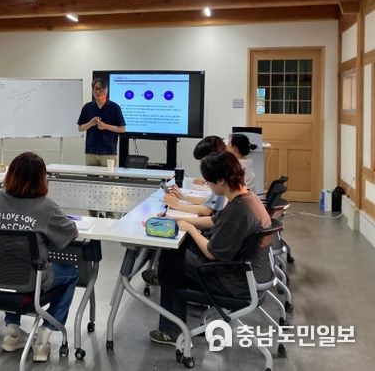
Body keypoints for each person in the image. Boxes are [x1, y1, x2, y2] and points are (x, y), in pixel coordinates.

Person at [149, 151, 272, 345]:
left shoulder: (238, 210)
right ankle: (164, 288)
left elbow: (211, 253)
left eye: (209, 182)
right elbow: (214, 220)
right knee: (179, 251)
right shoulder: (248, 198)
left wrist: (190, 228)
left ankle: (171, 331)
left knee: (171, 260)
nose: (209, 186)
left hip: (234, 282)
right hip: (248, 272)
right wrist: (175, 219)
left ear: (221, 181)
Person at [0, 152, 79, 362]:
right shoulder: (47, 206)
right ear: (41, 179)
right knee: (72, 273)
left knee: (13, 264)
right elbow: (70, 233)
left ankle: (12, 331)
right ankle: (45, 334)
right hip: (32, 279)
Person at [77, 77, 126, 217]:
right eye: (95, 89)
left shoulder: (114, 107)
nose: (98, 92)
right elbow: (80, 128)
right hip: (91, 152)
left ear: (107, 90)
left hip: (108, 152)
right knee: (91, 185)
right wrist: (91, 123)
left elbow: (122, 129)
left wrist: (105, 126)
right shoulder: (88, 107)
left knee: (109, 185)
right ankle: (93, 214)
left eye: (101, 89)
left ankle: (109, 215)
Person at [162, 136, 228, 217]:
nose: (202, 165)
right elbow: (212, 201)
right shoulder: (223, 170)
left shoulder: (222, 176)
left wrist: (177, 205)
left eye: (203, 161)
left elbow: (208, 210)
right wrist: (184, 197)